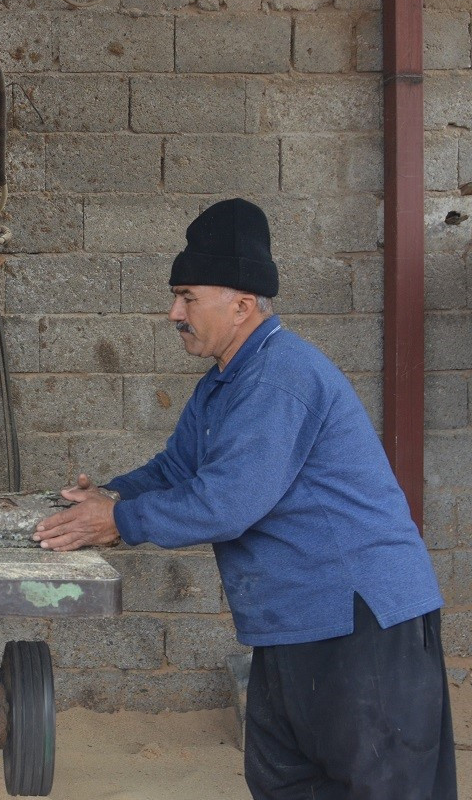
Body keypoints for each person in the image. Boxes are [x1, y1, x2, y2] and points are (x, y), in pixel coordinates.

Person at [32, 198, 456, 799]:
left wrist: (117, 521)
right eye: (175, 297)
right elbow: (177, 469)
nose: (172, 312)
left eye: (187, 297)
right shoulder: (224, 385)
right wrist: (109, 495)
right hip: (295, 625)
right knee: (287, 782)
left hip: (362, 623)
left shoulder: (281, 377)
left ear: (242, 303)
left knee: (376, 787)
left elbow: (228, 501)